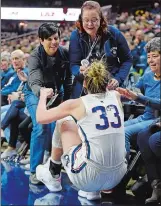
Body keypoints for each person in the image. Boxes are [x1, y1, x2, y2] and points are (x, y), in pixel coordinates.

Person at [36, 61, 127, 200]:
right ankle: (92, 192)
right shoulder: (116, 96)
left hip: (87, 177)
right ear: (107, 82)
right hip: (117, 177)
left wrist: (42, 96)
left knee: (64, 121)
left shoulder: (77, 104)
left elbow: (41, 118)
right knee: (87, 130)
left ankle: (53, 173)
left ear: (84, 83)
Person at [24, 23, 72, 184]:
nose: (54, 42)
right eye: (49, 39)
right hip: (34, 93)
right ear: (41, 40)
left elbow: (68, 80)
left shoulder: (65, 54)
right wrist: (42, 92)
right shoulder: (34, 57)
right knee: (41, 126)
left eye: (56, 38)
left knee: (62, 125)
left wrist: (69, 99)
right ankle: (34, 170)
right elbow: (34, 80)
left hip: (57, 93)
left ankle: (54, 165)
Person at [69, 0, 132, 98]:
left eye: (94, 20)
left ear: (101, 19)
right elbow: (73, 64)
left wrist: (118, 79)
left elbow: (127, 60)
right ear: (81, 20)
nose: (90, 24)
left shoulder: (114, 33)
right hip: (85, 87)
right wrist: (79, 71)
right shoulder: (75, 36)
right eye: (86, 20)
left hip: (110, 85)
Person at [117, 87, 161, 205]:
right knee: (143, 136)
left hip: (152, 117)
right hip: (153, 118)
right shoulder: (147, 76)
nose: (153, 66)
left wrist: (138, 97)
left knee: (154, 141)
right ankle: (155, 184)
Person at [123, 37, 160, 158]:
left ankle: (123, 170)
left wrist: (139, 97)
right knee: (117, 128)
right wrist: (119, 93)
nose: (150, 60)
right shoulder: (147, 75)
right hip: (145, 117)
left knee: (124, 133)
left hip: (156, 120)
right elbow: (134, 91)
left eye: (154, 56)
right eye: (148, 57)